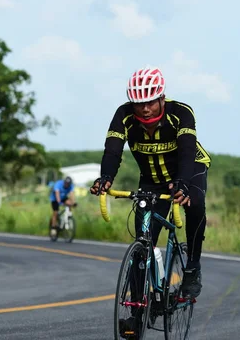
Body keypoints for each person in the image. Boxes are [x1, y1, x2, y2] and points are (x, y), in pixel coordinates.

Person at [90, 66, 211, 302]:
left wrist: (183, 184)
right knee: (143, 242)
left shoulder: (181, 113)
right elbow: (113, 151)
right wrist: (105, 178)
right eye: (139, 104)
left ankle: (192, 267)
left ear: (162, 98)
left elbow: (187, 151)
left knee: (195, 204)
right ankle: (137, 309)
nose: (145, 109)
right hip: (152, 179)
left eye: (151, 102)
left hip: (190, 170)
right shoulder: (123, 115)